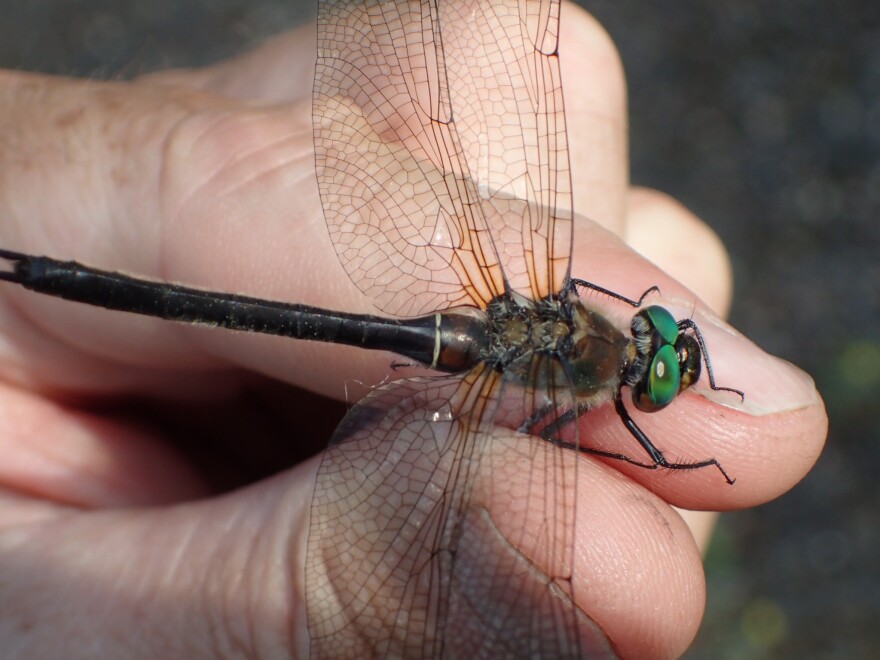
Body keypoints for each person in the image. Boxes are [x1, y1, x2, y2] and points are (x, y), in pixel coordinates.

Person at [0, 4, 826, 657]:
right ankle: (38, 271)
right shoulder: (587, 386)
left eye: (655, 363)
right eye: (656, 343)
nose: (654, 349)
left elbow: (576, 285)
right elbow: (620, 442)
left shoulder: (564, 299)